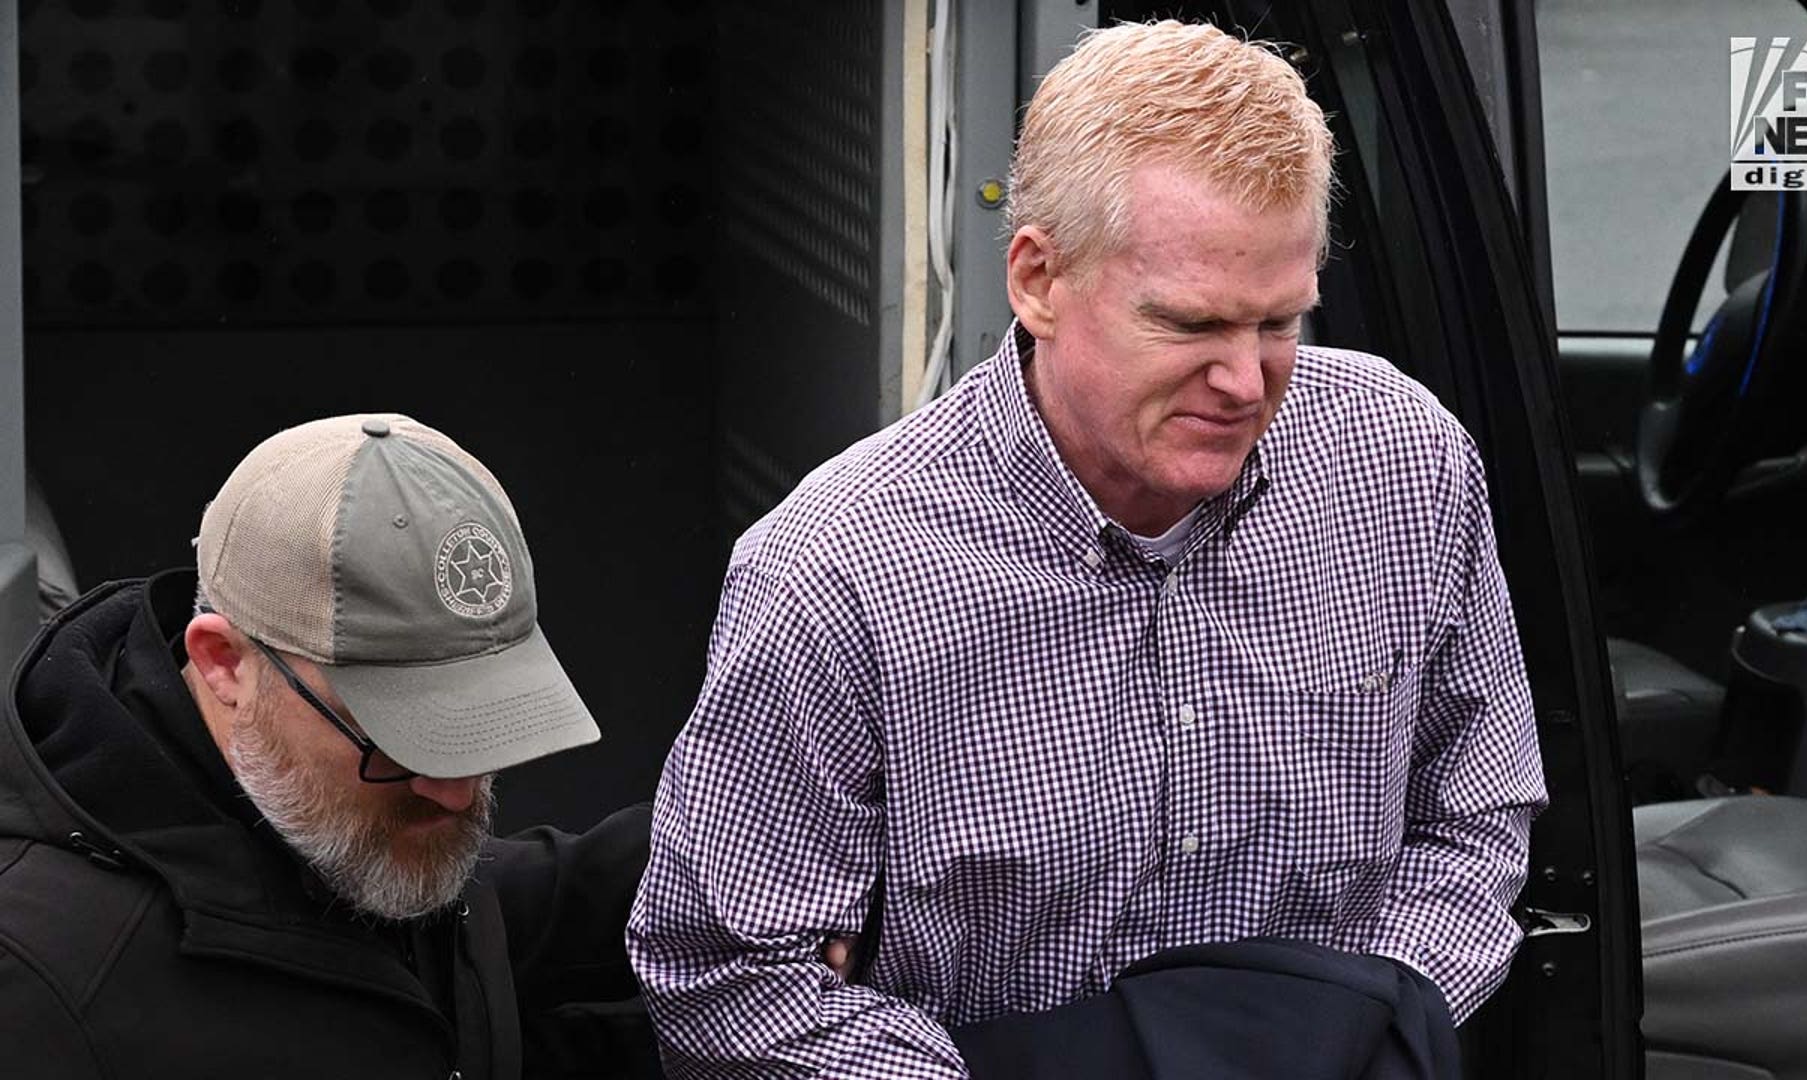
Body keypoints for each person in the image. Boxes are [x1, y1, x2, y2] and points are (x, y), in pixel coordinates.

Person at [632, 19, 1547, 1077]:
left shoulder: (1403, 466)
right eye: (1191, 325)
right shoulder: (838, 574)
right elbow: (725, 985)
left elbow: (1473, 821)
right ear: (1038, 280)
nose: (1244, 382)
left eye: (1280, 324)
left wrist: (1363, 1031)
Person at [0, 414, 657, 1079]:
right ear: (224, 661)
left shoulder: (340, 827)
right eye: (401, 741)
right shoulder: (45, 990)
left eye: (476, 732)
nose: (457, 793)